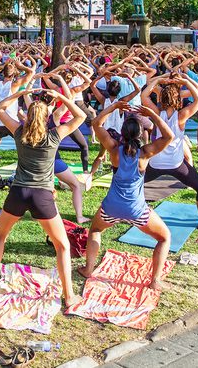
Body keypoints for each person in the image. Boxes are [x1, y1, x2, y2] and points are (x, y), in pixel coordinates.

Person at [0, 88, 86, 309]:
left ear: (28, 116)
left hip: (18, 193)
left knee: (0, 237)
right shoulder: (54, 135)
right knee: (62, 246)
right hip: (41, 196)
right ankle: (69, 296)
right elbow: (81, 116)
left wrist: (23, 92)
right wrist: (62, 97)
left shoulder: (18, 132)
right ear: (46, 118)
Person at [81, 99, 175, 290]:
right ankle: (155, 280)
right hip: (136, 210)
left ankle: (88, 269)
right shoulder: (145, 154)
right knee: (164, 238)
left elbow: (96, 123)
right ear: (141, 134)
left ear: (122, 133)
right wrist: (154, 115)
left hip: (111, 207)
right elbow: (169, 136)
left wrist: (114, 107)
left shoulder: (114, 150)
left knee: (96, 230)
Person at [139, 73, 198, 231]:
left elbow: (144, 95)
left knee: (134, 184)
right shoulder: (181, 115)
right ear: (179, 100)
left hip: (156, 163)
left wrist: (158, 80)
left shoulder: (156, 113)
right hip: (176, 163)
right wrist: (185, 81)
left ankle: (131, 213)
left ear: (161, 99)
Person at [0, 58, 34, 171]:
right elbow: (31, 72)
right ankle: (28, 168)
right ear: (14, 73)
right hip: (11, 122)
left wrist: (4, 65)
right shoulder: (14, 84)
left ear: (3, 72)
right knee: (24, 144)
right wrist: (20, 66)